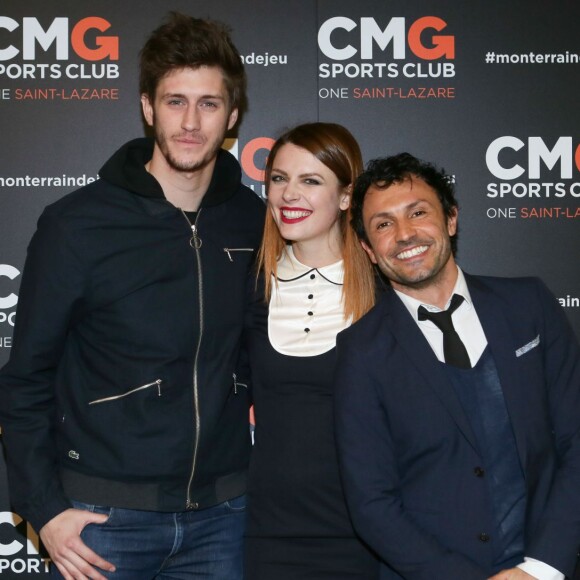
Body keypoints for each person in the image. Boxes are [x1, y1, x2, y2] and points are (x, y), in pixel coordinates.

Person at [0, 12, 264, 580]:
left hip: (224, 517)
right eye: (175, 101)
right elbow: (25, 379)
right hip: (103, 520)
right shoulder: (78, 224)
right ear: (148, 108)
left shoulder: (254, 221)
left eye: (209, 104)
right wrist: (44, 510)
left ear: (233, 116)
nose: (190, 122)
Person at [333, 151, 580, 580]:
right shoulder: (360, 352)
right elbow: (372, 503)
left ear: (451, 219)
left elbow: (577, 442)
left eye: (418, 212)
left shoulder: (529, 306)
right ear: (369, 249)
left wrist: (542, 567)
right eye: (384, 224)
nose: (405, 234)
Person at [244, 122, 380, 579]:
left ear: (346, 196)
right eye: (279, 179)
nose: (289, 195)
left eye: (310, 181)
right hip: (266, 534)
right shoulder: (250, 287)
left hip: (368, 537)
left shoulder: (386, 295)